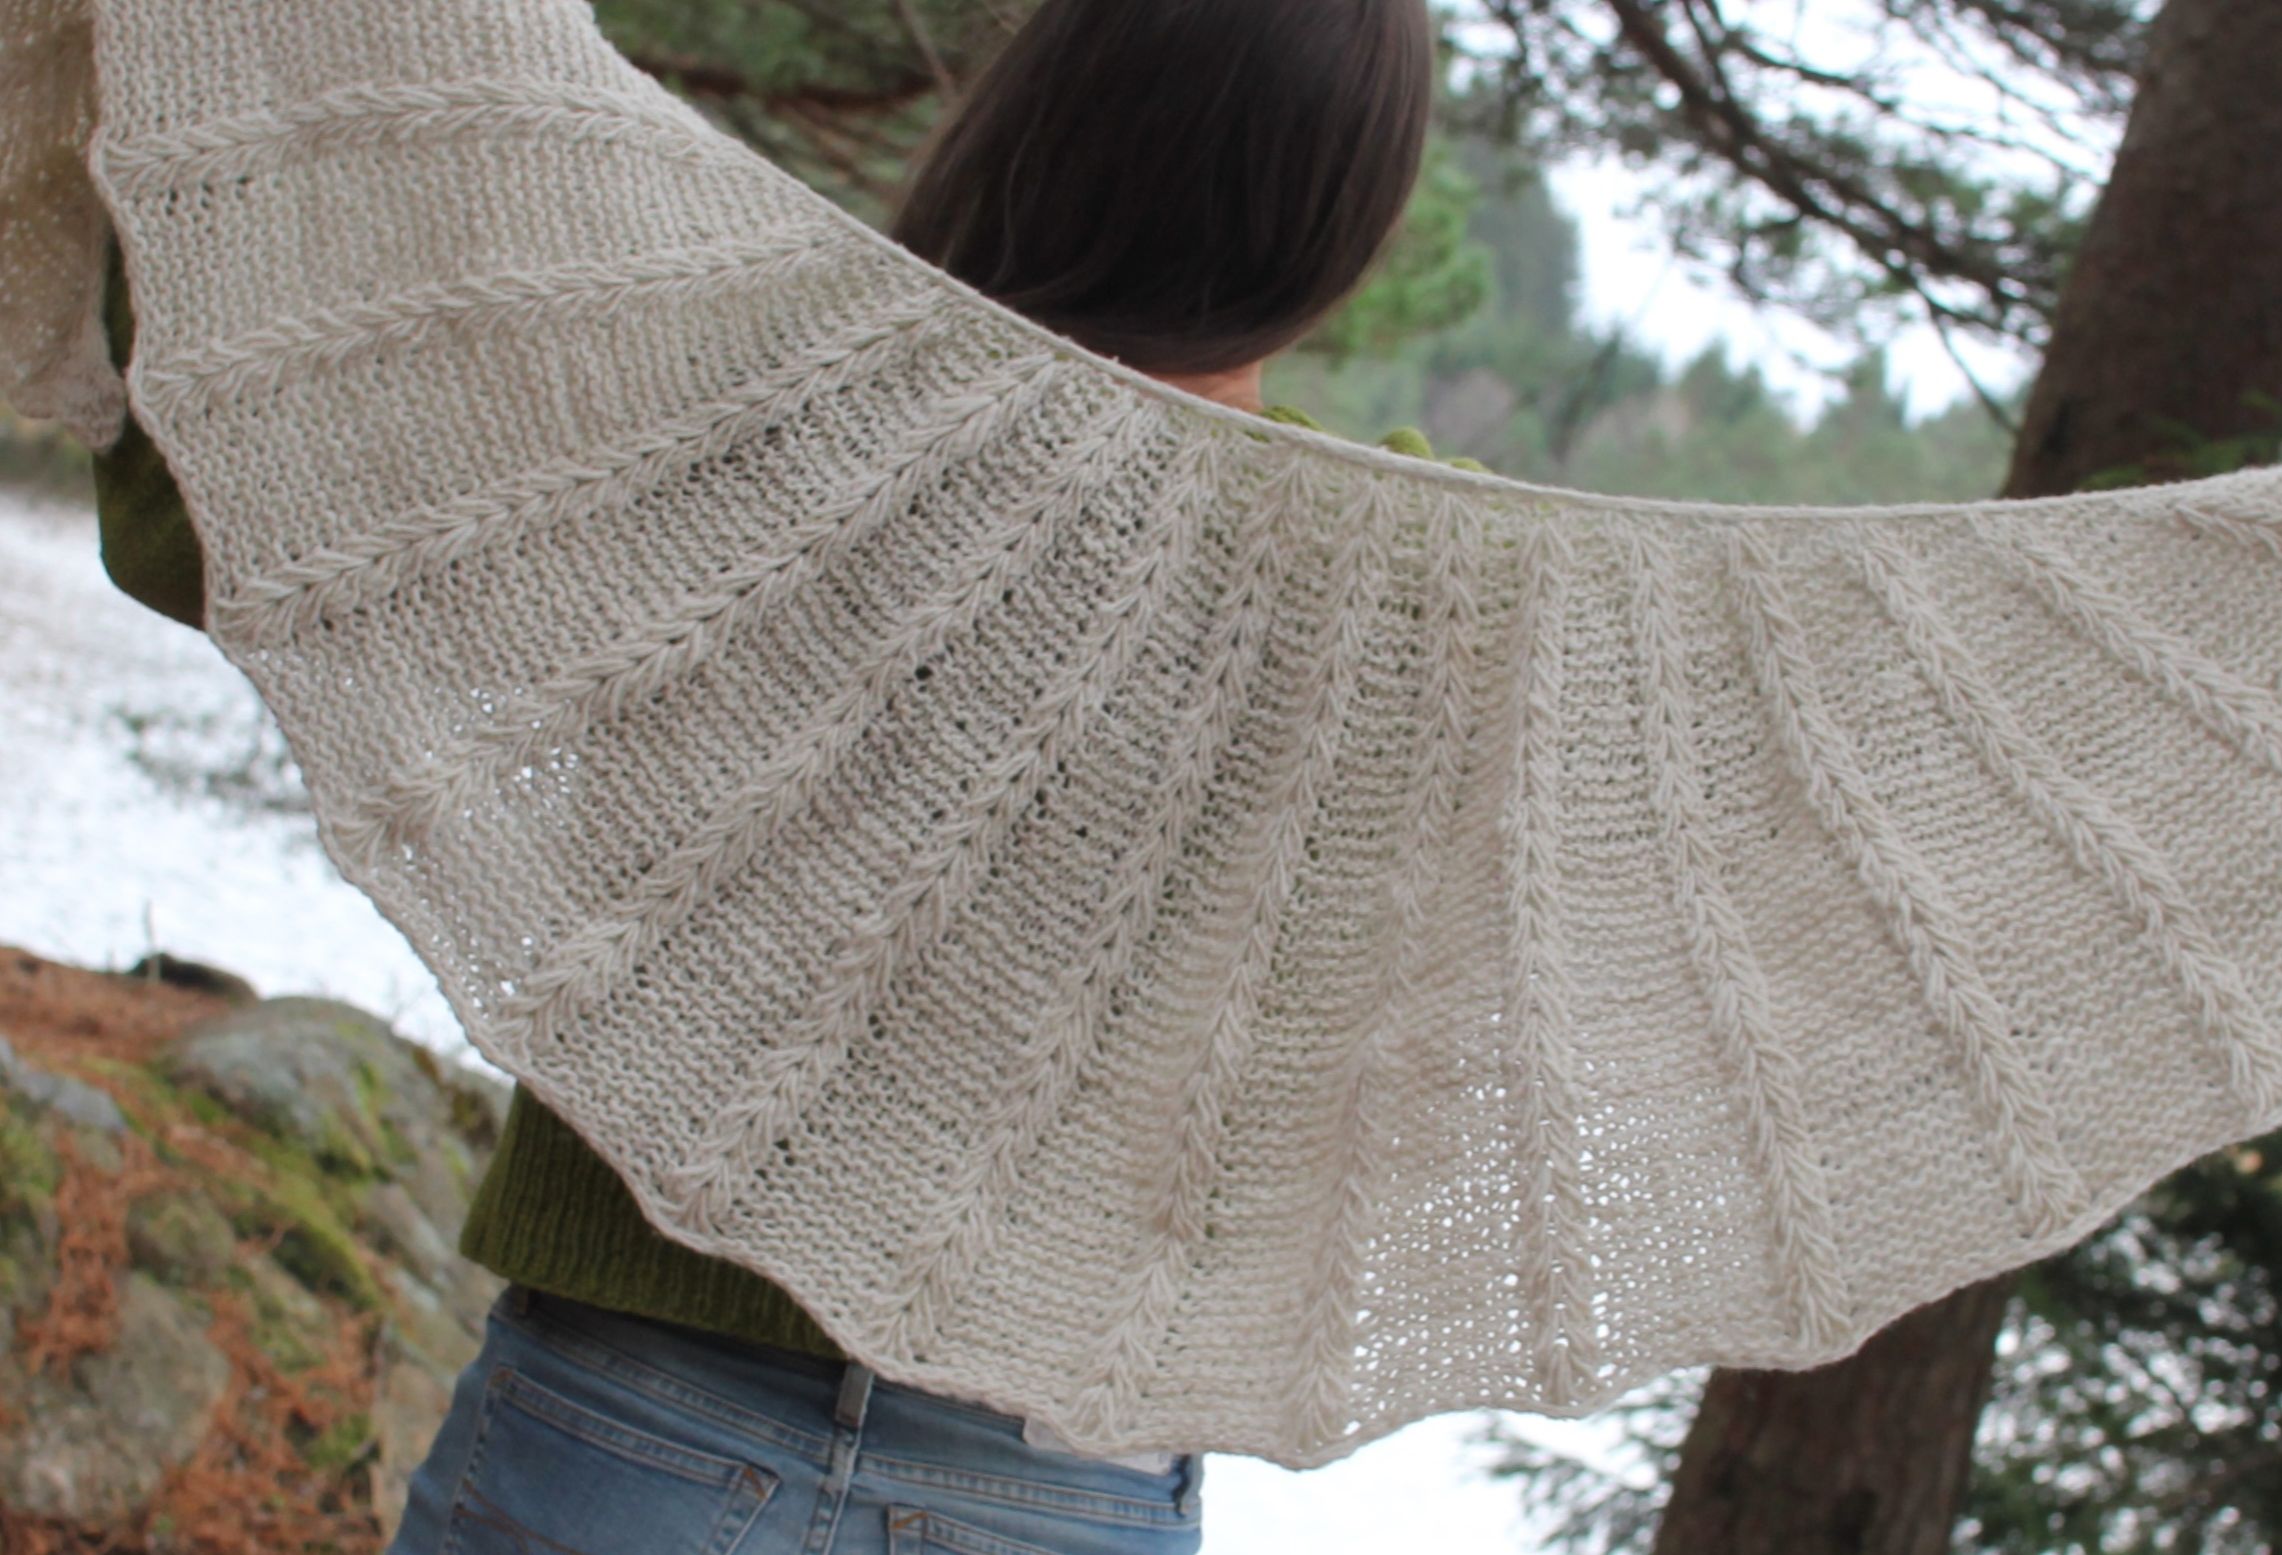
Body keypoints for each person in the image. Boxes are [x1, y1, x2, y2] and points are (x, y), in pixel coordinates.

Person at [85, 0, 1460, 1548]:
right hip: (1061, 1487)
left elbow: (207, 517)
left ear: (1046, 103)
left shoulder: (761, 397)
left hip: (635, 1423)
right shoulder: (1433, 593)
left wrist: (189, 88)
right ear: (1349, 221)